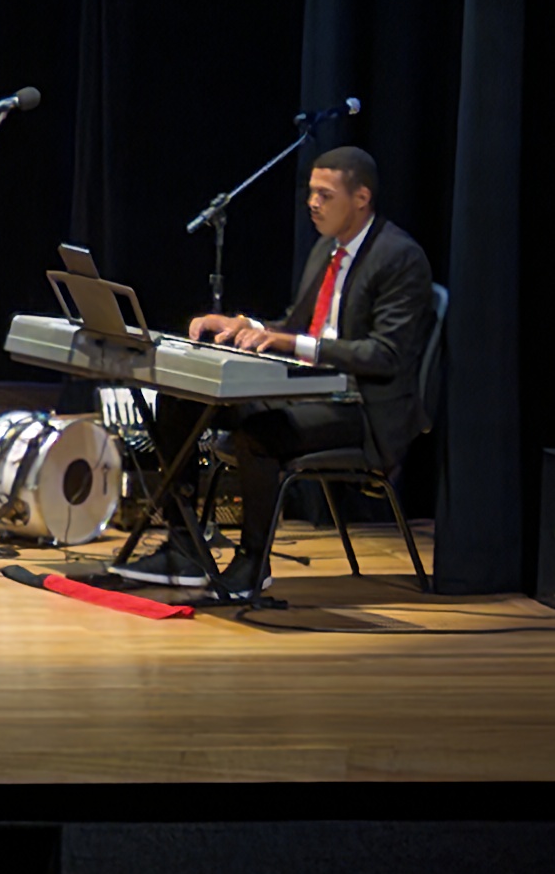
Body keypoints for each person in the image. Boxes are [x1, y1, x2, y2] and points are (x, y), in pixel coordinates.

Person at [172, 143, 435, 601]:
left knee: (259, 431)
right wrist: (245, 326)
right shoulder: (325, 251)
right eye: (310, 192)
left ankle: (254, 563)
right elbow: (295, 325)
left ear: (361, 198)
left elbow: (385, 355)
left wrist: (294, 343)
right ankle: (183, 548)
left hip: (365, 410)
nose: (312, 203)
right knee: (181, 402)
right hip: (313, 392)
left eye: (325, 194)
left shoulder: (400, 258)